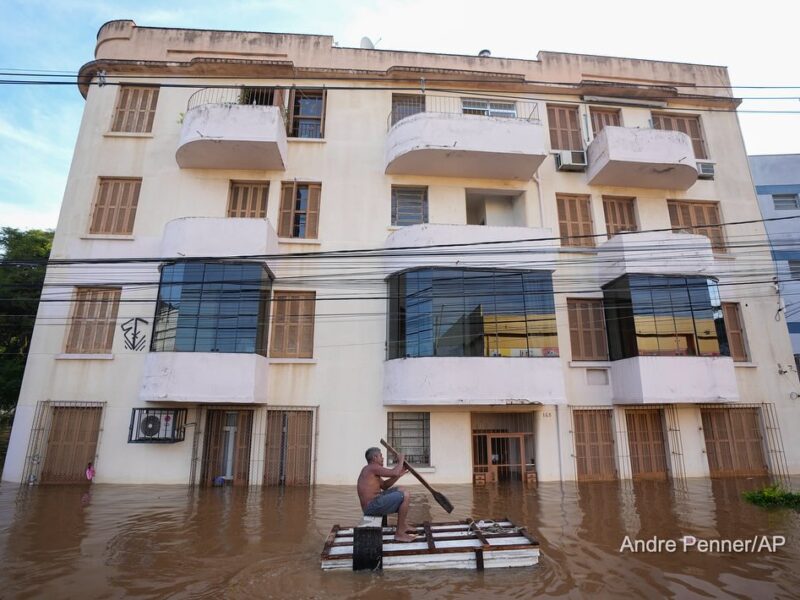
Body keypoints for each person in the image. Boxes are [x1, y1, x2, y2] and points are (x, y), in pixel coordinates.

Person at [357, 446, 416, 542]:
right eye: (381, 456)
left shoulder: (371, 470)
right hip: (372, 507)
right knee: (405, 494)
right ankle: (399, 533)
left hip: (374, 503)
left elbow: (384, 485)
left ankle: (402, 526)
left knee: (401, 489)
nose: (383, 458)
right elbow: (394, 472)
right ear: (374, 458)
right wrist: (401, 460)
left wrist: (398, 475)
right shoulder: (372, 468)